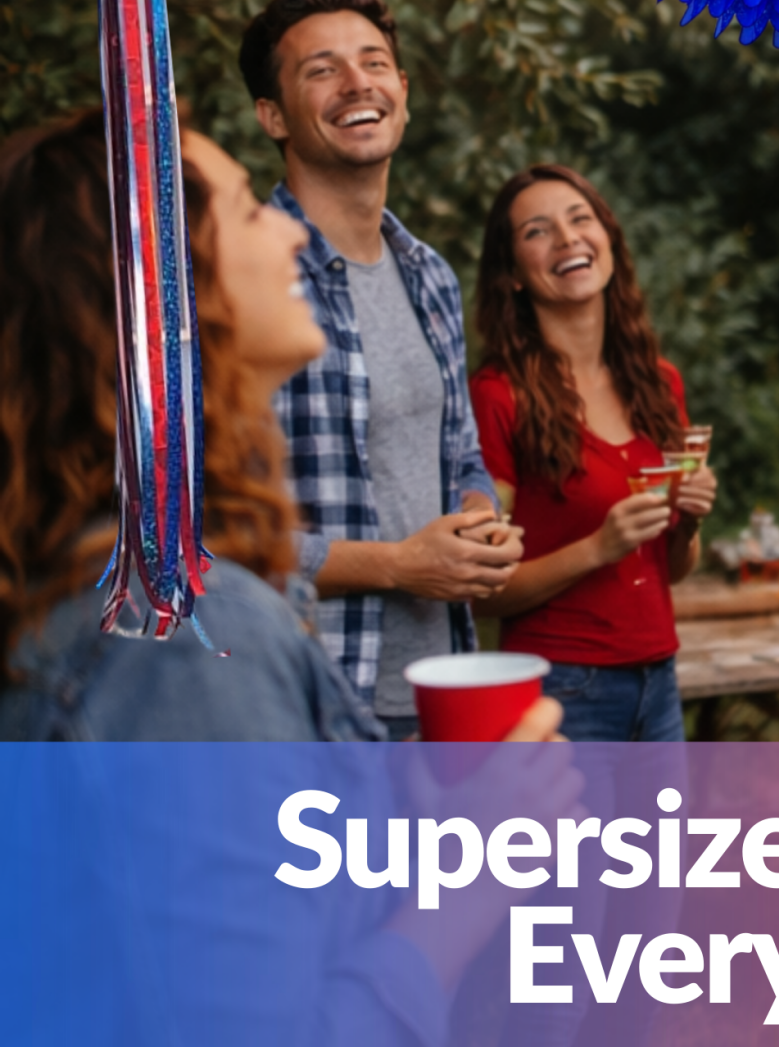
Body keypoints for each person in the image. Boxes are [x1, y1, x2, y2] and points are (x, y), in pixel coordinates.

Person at [0, 107, 560, 744]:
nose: (292, 233)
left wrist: (422, 786)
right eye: (247, 211)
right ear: (157, 287)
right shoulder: (189, 639)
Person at [240, 0, 520, 736]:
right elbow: (198, 531)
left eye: (373, 62)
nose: (356, 83)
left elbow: (461, 455)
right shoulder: (239, 280)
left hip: (439, 686)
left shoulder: (430, 275)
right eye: (321, 69)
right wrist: (396, 564)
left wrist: (478, 517)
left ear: (403, 91)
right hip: (304, 698)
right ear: (273, 116)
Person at [469, 165, 717, 742]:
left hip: (658, 681)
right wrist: (597, 548)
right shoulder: (499, 395)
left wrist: (689, 520)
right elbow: (482, 592)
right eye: (537, 231)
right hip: (562, 687)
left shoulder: (659, 384)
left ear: (608, 240)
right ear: (512, 274)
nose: (567, 238)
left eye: (580, 219)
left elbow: (673, 569)